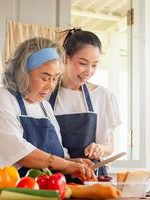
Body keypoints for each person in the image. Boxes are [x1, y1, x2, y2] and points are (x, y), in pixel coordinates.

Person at [0, 37, 96, 185]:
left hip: (41, 188)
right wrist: (66, 165)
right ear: (23, 73)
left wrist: (72, 162)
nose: (50, 86)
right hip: (2, 189)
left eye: (55, 79)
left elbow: (55, 154)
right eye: (44, 78)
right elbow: (17, 153)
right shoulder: (2, 99)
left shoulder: (44, 108)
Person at [49, 29, 121, 176]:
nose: (89, 71)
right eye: (83, 63)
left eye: (94, 65)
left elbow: (110, 146)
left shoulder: (103, 96)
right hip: (55, 177)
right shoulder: (45, 95)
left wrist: (100, 148)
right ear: (65, 57)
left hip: (91, 176)